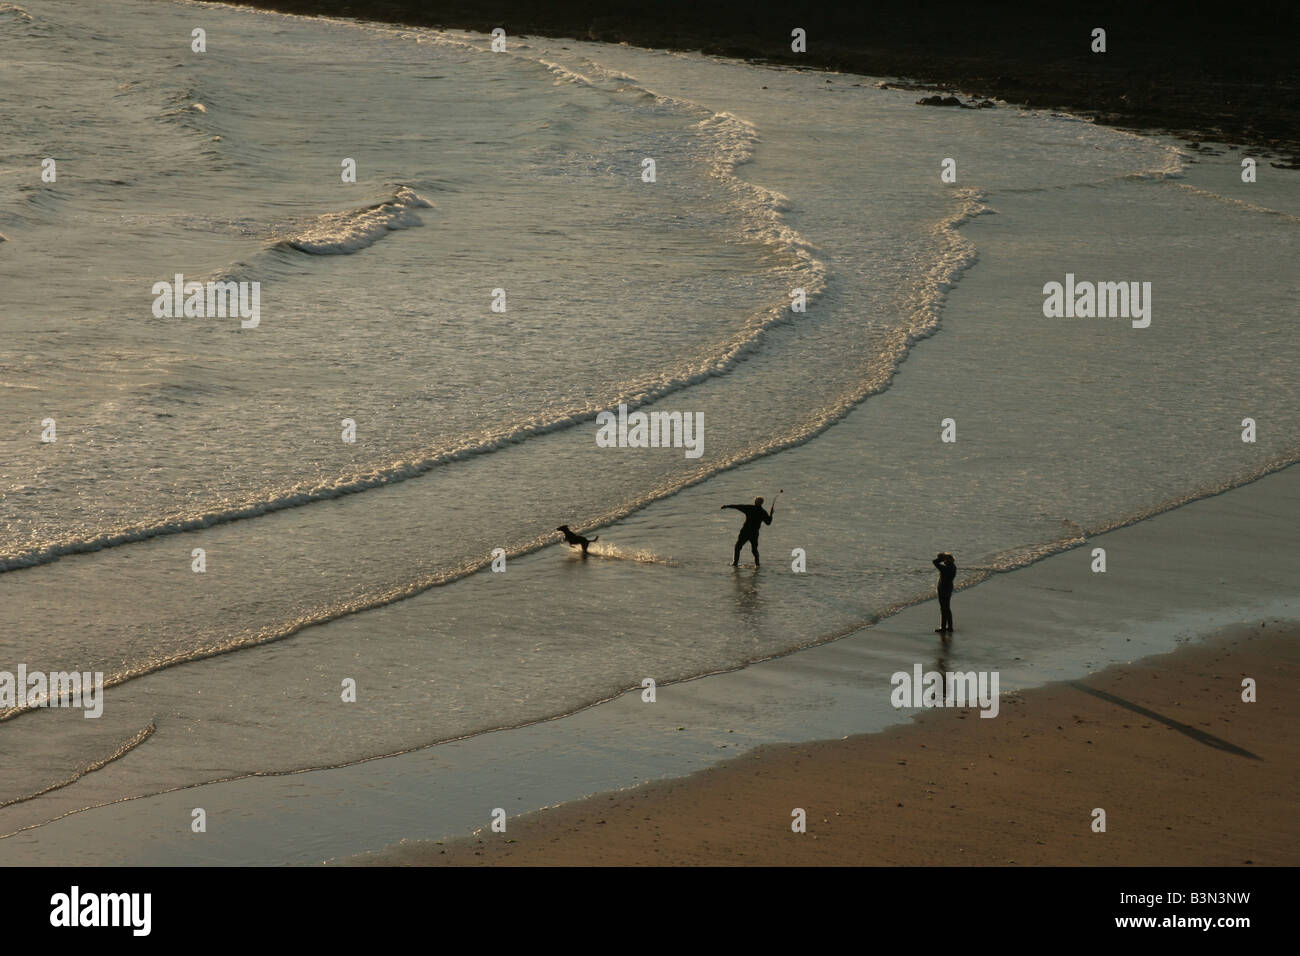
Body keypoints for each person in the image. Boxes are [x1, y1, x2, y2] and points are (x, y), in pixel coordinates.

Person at [721, 497, 774, 567]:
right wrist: (771, 515)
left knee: (738, 547)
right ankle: (757, 564)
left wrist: (727, 506)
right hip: (754, 533)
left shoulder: (749, 508)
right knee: (754, 549)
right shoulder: (763, 512)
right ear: (762, 503)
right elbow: (768, 523)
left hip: (745, 531)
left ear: (755, 502)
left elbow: (738, 506)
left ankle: (735, 563)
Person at [933, 552, 956, 633]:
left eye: (945, 560)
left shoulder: (945, 568)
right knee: (947, 608)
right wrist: (944, 557)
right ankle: (949, 627)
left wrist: (940, 558)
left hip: (943, 589)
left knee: (943, 608)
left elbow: (934, 562)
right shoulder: (953, 567)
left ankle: (943, 628)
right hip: (948, 588)